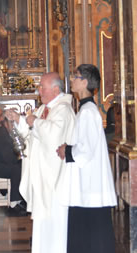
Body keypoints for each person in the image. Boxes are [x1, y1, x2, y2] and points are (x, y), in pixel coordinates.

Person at [6, 72, 75, 253]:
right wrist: (18, 119)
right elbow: (30, 132)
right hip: (42, 175)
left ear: (55, 89)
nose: (39, 91)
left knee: (54, 221)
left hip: (54, 177)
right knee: (42, 223)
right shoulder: (44, 108)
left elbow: (53, 137)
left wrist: (35, 122)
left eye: (42, 87)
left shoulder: (63, 110)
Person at [56, 64, 117, 253]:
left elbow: (85, 151)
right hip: (86, 187)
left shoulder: (88, 112)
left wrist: (66, 150)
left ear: (84, 83)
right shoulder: (85, 110)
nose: (72, 79)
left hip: (90, 189)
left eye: (76, 76)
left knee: (91, 239)